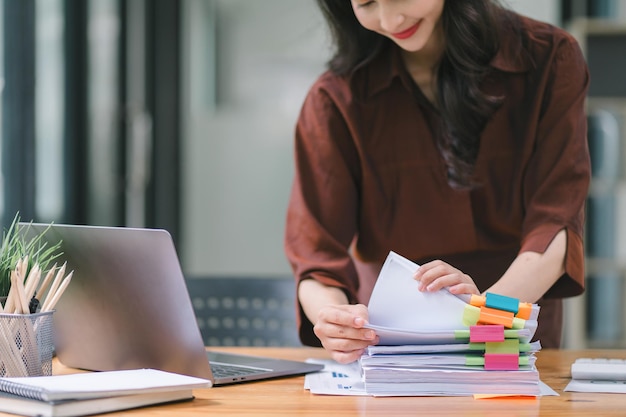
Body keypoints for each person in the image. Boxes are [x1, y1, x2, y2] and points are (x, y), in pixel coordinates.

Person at [284, 0, 590, 364]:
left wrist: (485, 314)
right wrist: (333, 318)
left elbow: (556, 220)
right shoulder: (335, 98)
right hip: (390, 341)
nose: (390, 19)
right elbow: (317, 256)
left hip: (510, 311)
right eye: (366, 3)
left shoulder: (548, 57)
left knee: (505, 404)